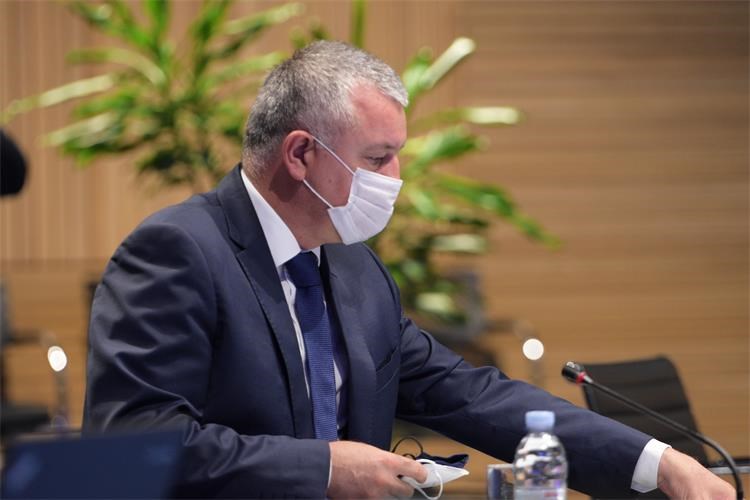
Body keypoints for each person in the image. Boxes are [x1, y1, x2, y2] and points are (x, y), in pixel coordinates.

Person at [83, 41, 735, 499]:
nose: (396, 178)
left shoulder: (355, 269)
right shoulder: (178, 250)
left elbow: (471, 396)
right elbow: (135, 441)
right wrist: (324, 469)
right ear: (302, 154)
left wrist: (657, 461)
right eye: (379, 158)